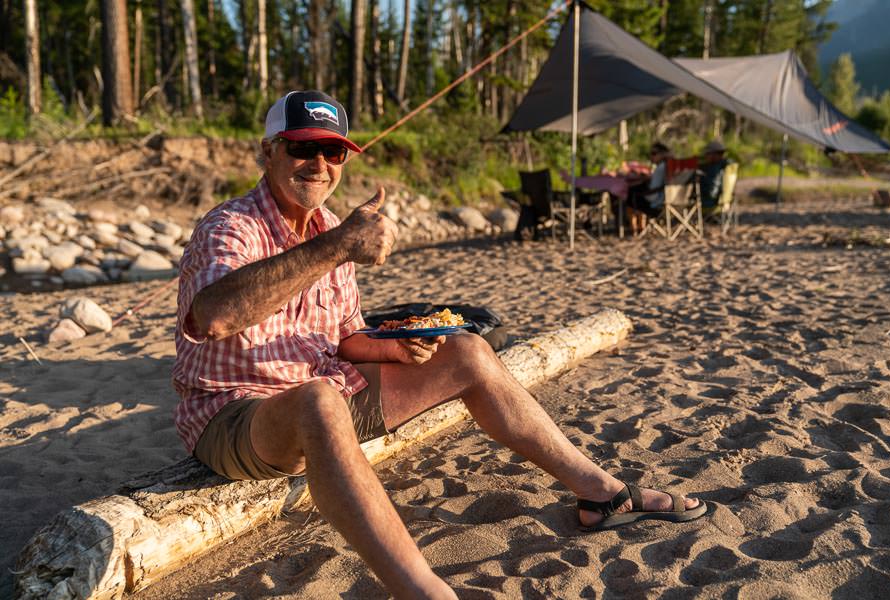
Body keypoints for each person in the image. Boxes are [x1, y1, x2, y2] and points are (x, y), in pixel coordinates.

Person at [172, 90, 706, 599]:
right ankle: (424, 591)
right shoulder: (231, 226)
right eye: (302, 147)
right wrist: (336, 247)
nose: (319, 163)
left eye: (332, 150)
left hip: (326, 391)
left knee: (467, 348)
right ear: (268, 151)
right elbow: (217, 315)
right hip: (237, 414)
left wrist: (396, 349)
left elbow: (344, 340)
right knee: (317, 401)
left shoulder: (331, 225)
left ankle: (601, 494)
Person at [626, 142, 671, 235]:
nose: (651, 156)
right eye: (650, 154)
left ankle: (635, 229)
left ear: (663, 154)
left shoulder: (662, 167)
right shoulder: (666, 166)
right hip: (668, 199)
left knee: (630, 195)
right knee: (635, 192)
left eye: (654, 153)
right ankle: (640, 227)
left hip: (655, 201)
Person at [698, 139, 730, 212]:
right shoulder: (725, 166)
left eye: (708, 154)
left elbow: (712, 190)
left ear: (715, 154)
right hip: (720, 199)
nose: (706, 156)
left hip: (711, 200)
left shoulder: (716, 168)